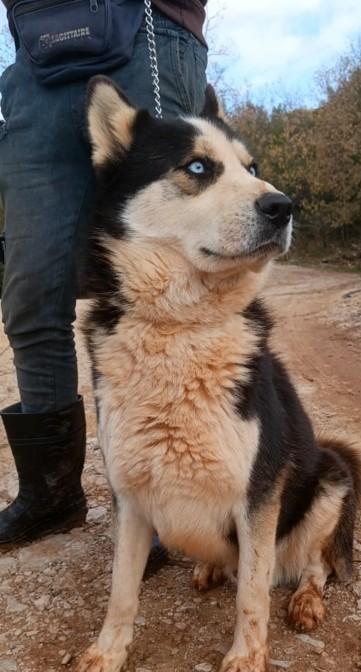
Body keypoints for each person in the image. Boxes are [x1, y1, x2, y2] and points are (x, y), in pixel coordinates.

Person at [0, 0, 208, 554]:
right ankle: (52, 496)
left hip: (152, 34)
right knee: (30, 290)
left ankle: (164, 497)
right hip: (36, 55)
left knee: (161, 285)